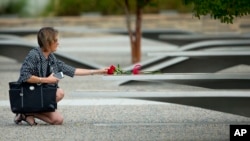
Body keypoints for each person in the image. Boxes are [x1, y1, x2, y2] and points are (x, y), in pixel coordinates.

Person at [14, 27, 108, 126]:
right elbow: (25, 76)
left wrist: (99, 71)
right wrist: (47, 80)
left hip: (39, 93)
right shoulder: (34, 55)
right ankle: (25, 109)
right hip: (27, 94)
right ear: (47, 42)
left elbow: (73, 70)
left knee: (58, 120)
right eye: (56, 40)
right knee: (59, 92)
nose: (58, 43)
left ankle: (26, 113)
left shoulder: (51, 57)